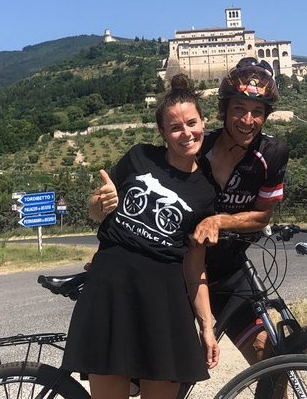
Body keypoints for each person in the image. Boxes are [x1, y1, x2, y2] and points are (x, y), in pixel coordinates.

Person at [61, 75, 219, 399]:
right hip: (111, 290)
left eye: (192, 123)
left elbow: (194, 267)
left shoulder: (206, 192)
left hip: (165, 303)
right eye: (175, 127)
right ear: (163, 133)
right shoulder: (139, 157)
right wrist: (99, 202)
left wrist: (206, 325)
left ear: (204, 122)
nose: (186, 133)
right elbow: (95, 210)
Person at [191, 57, 290, 364]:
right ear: (224, 111)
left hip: (229, 273)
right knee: (164, 373)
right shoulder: (195, 149)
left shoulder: (271, 153)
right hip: (179, 272)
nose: (248, 120)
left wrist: (220, 221)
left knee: (267, 353)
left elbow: (263, 215)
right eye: (239, 109)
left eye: (257, 112)